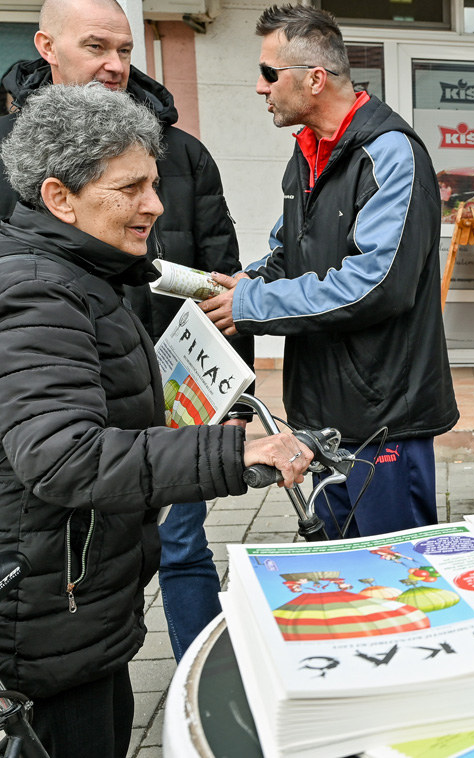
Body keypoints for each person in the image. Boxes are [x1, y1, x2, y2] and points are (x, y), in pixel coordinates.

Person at [0, 83, 311, 758]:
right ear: (60, 197)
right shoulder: (39, 290)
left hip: (76, 603)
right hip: (48, 617)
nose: (155, 205)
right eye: (131, 188)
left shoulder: (86, 274)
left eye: (154, 183)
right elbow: (62, 456)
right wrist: (233, 455)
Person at [0, 0, 252, 663]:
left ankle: (190, 678)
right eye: (96, 48)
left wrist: (226, 366)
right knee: (74, 562)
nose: (115, 65)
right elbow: (58, 450)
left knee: (177, 545)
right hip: (54, 415)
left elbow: (217, 267)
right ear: (48, 46)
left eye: (126, 50)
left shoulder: (184, 153)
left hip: (169, 396)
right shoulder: (8, 157)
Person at [199, 5, 457, 539]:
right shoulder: (309, 154)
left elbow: (378, 283)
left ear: (314, 78)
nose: (258, 86)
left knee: (398, 575)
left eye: (270, 72)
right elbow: (286, 250)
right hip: (324, 416)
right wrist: (242, 286)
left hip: (383, 418)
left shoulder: (390, 154)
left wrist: (254, 305)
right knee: (340, 572)